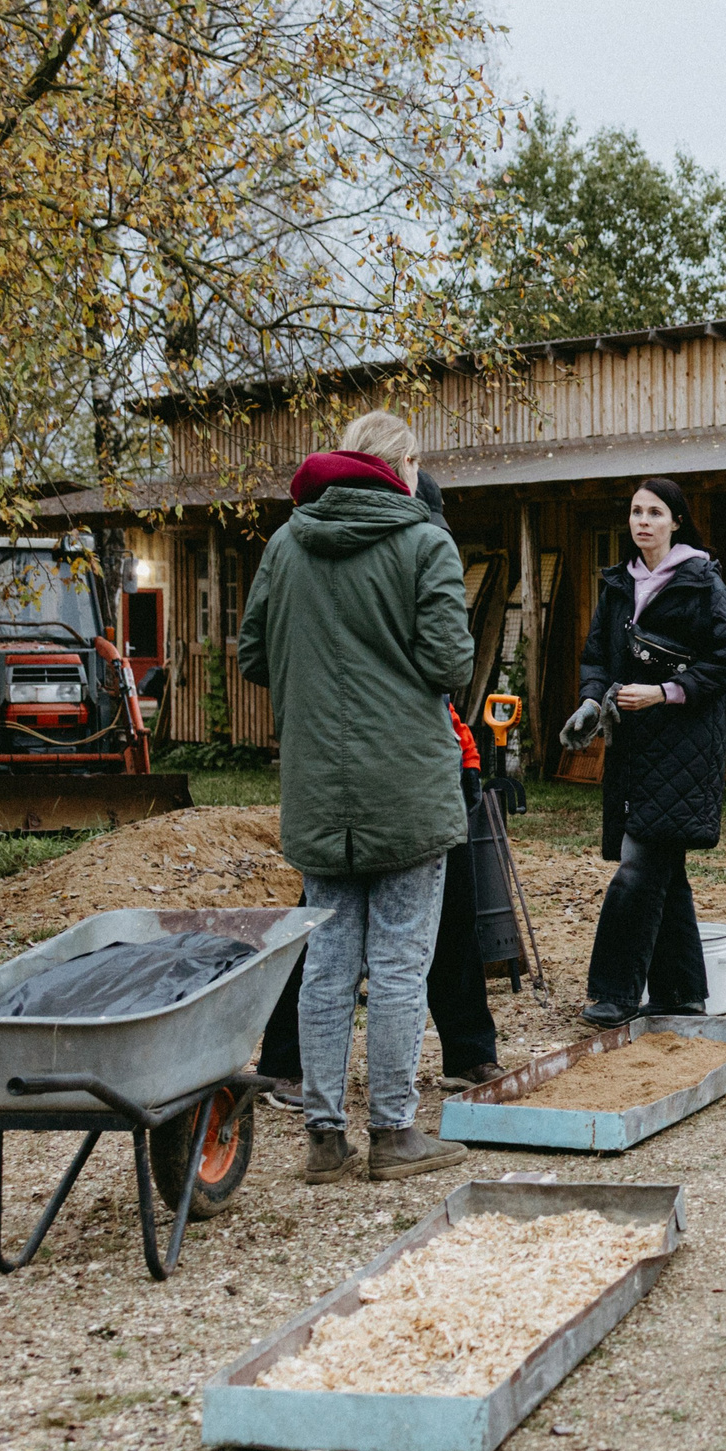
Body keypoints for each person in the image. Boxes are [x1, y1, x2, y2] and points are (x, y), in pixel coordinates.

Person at [237, 410, 475, 1183]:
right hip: (405, 783)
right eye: (416, 463)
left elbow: (252, 655)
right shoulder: (423, 541)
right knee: (402, 962)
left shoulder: (285, 543)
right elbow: (450, 663)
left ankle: (324, 1137)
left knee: (329, 964)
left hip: (318, 789)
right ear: (400, 465)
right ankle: (395, 1132)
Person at [562, 476, 726, 1028]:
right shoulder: (618, 585)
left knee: (638, 868)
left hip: (683, 749)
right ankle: (681, 992)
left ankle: (614, 994)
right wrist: (592, 702)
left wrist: (665, 691)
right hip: (633, 748)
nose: (643, 521)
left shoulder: (702, 583)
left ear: (676, 521)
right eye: (637, 512)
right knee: (666, 867)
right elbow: (597, 656)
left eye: (655, 513)